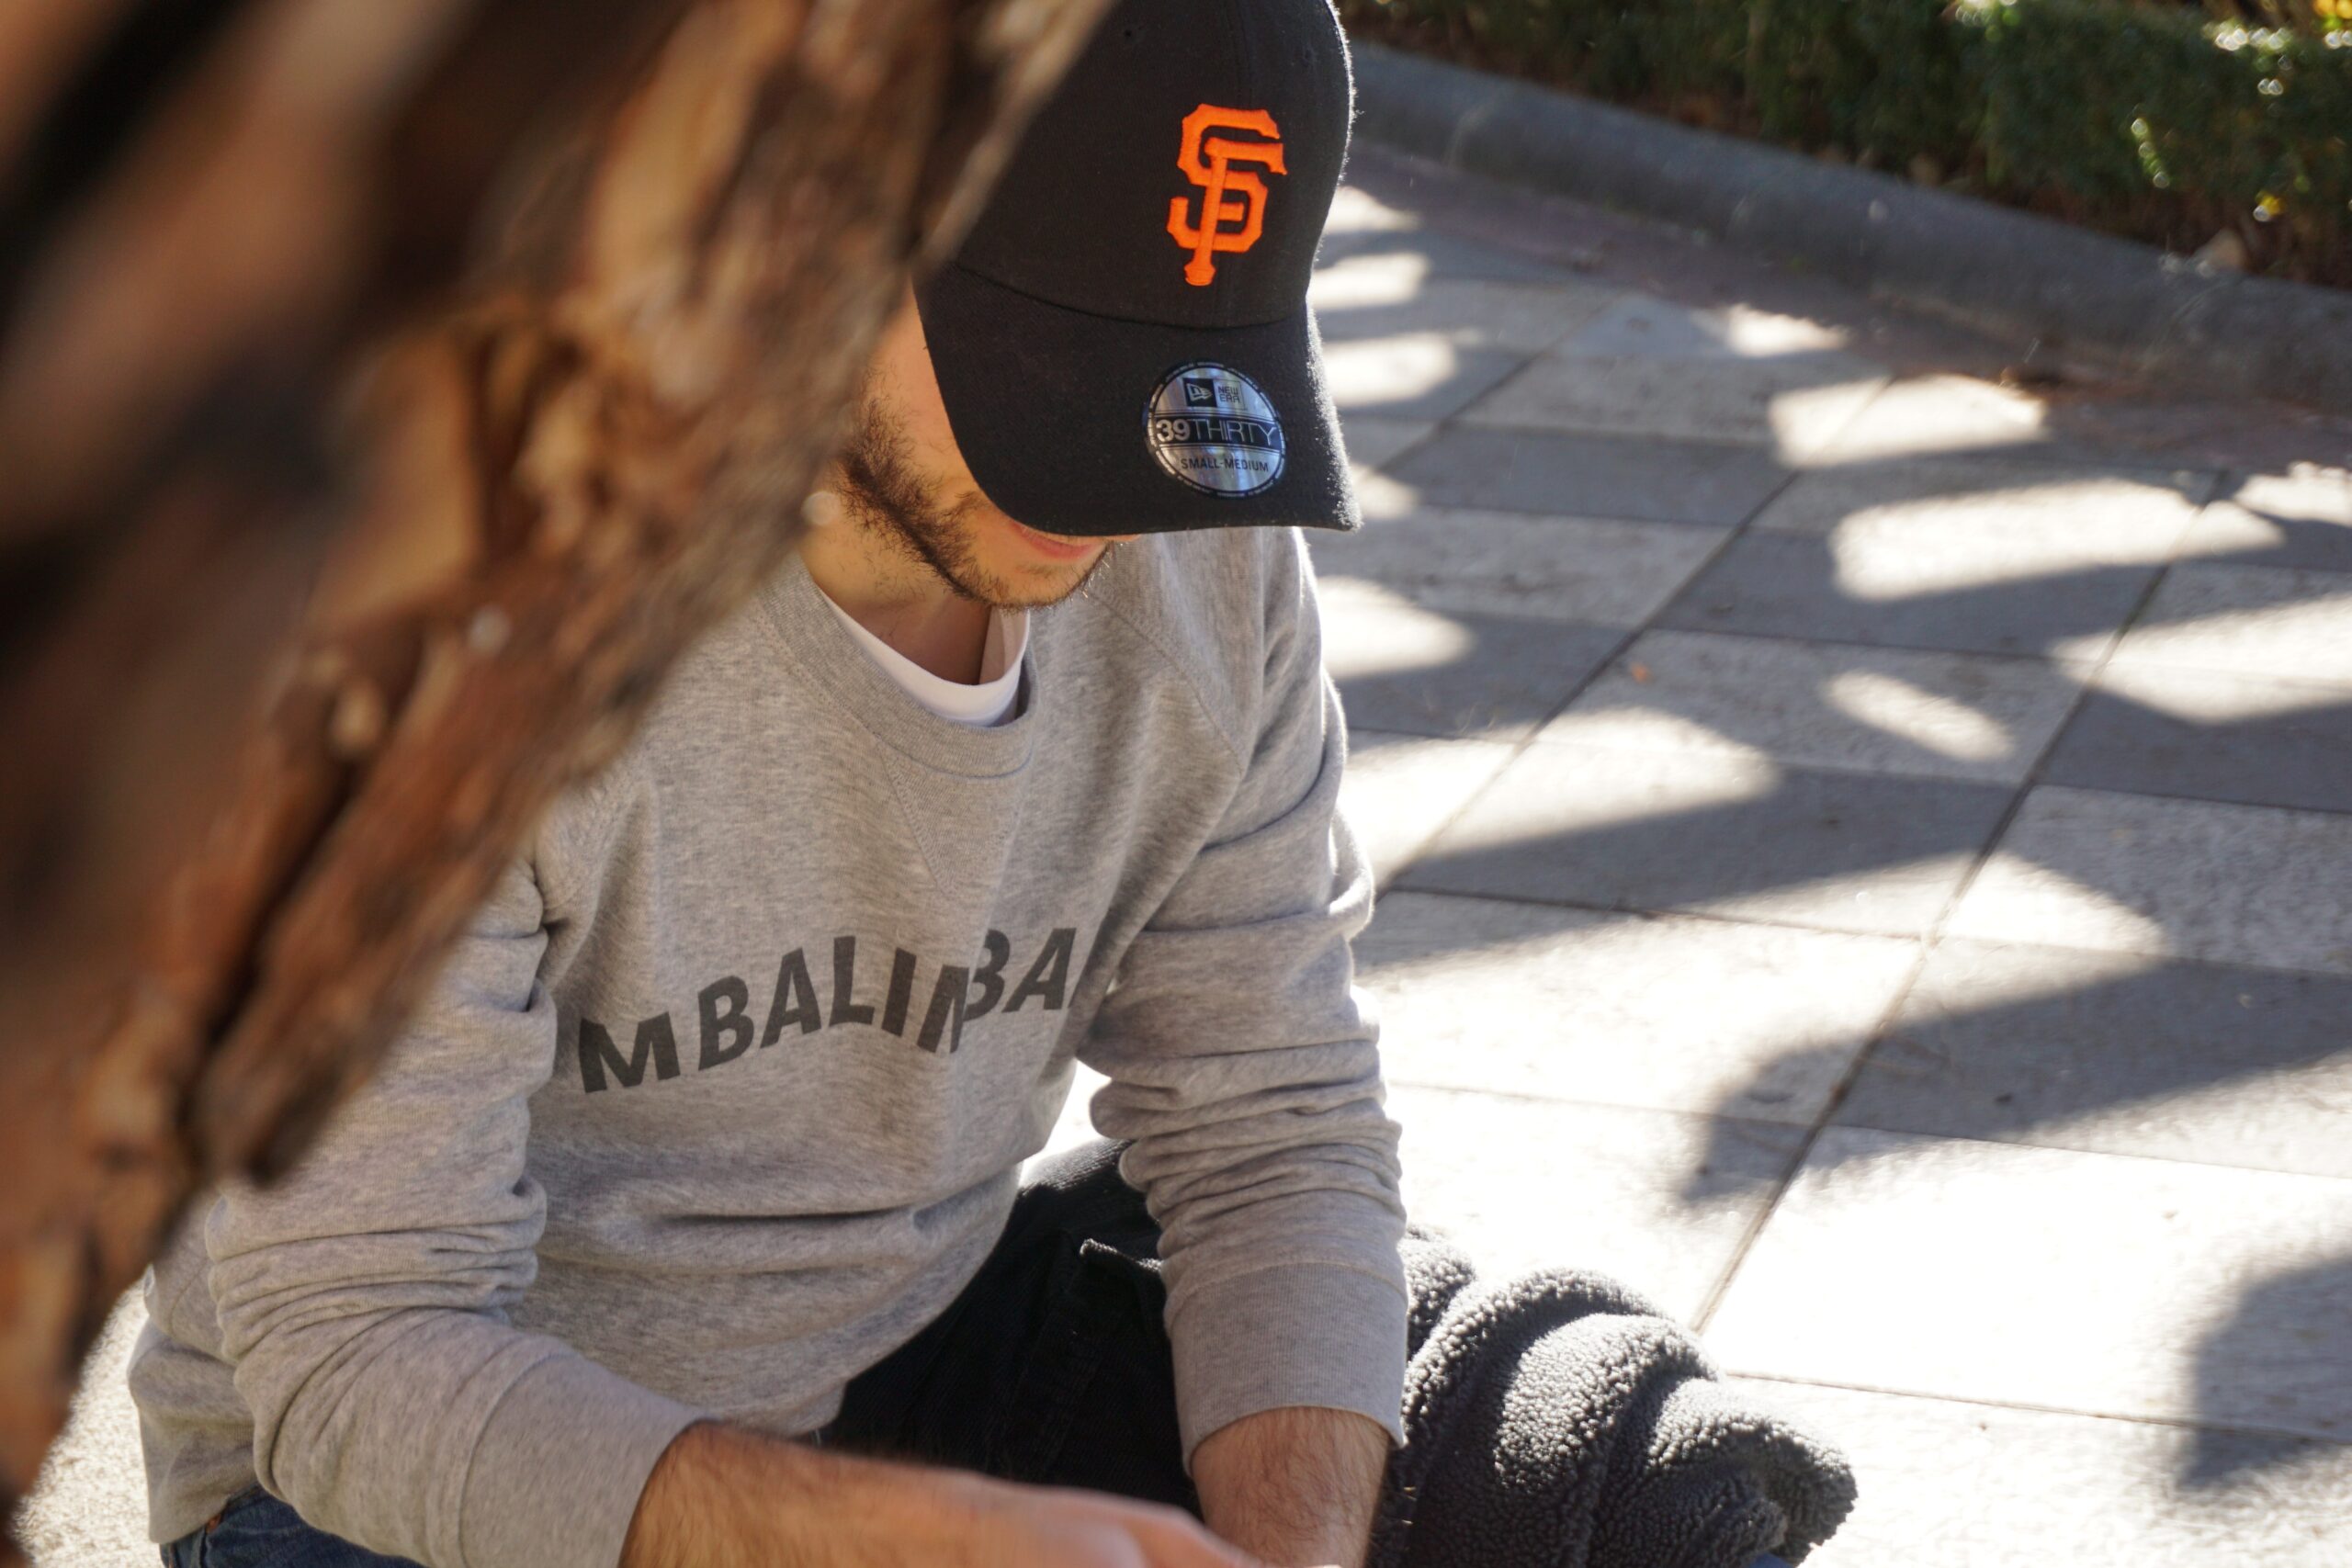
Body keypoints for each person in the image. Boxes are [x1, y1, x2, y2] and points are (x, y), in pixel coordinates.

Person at [132, 3, 1404, 1565]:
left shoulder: (1194, 530)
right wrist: (907, 1544)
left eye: (1180, 361)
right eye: (1057, 354)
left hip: (917, 1354)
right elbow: (359, 1353)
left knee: (1561, 1437)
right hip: (400, 1481)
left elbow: (1276, 1131)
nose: (1123, 484)